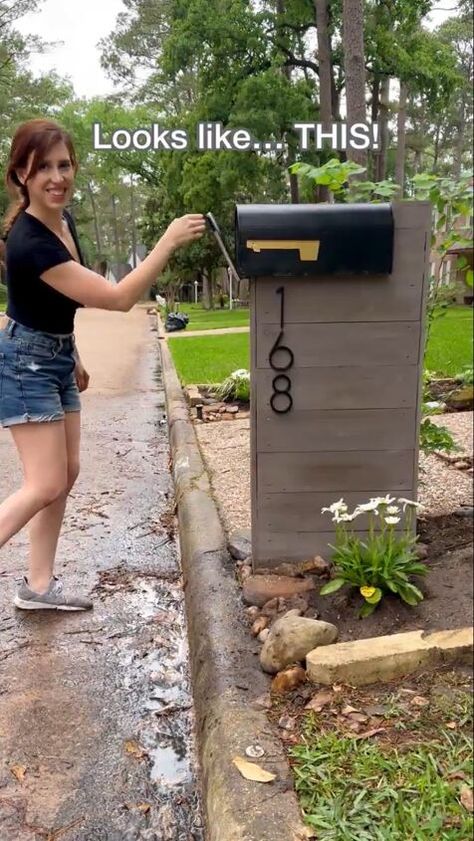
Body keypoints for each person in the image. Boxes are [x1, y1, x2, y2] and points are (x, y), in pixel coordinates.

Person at [0, 118, 205, 611]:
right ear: (20, 176)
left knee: (64, 474)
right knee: (44, 482)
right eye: (42, 167)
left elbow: (45, 306)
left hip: (53, 356)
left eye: (64, 164)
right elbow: (114, 299)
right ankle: (37, 585)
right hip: (26, 365)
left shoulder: (62, 223)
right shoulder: (31, 242)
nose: (57, 177)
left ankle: (39, 587)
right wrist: (168, 241)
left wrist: (72, 355)